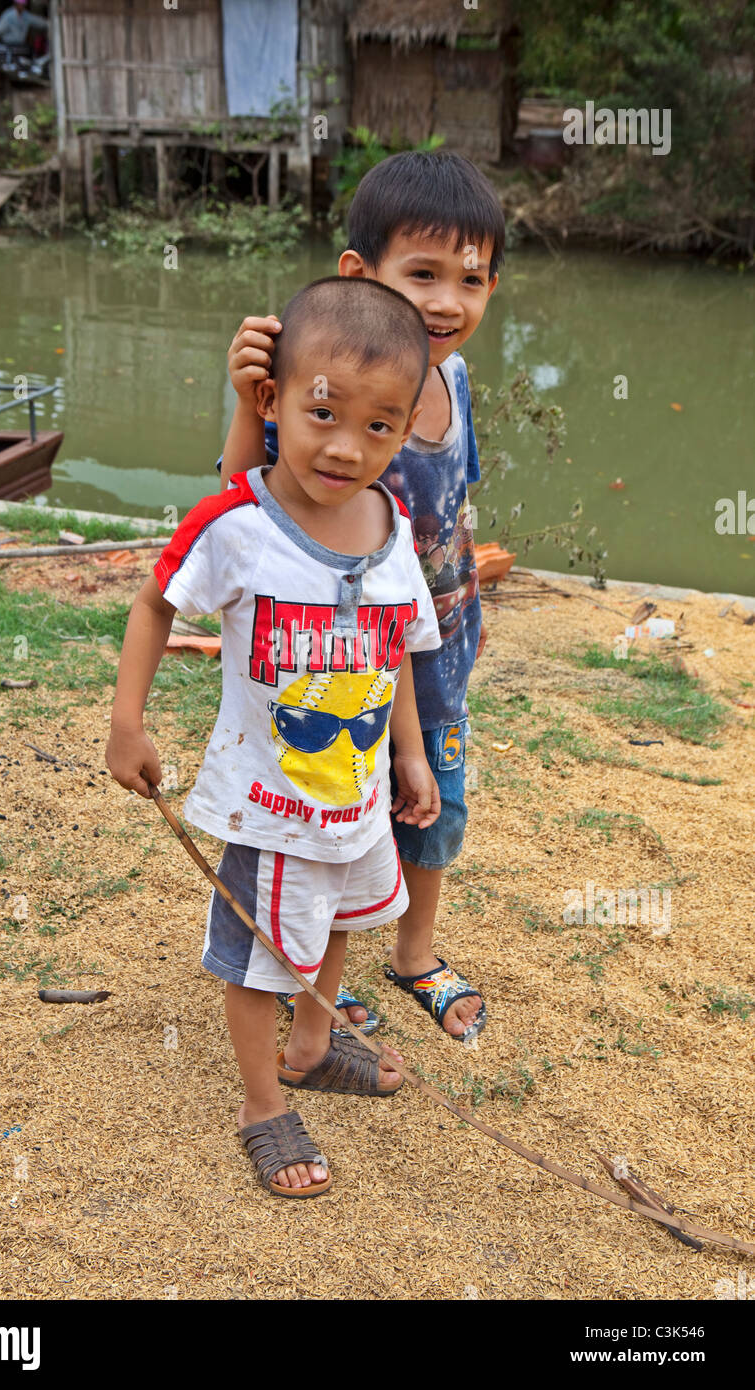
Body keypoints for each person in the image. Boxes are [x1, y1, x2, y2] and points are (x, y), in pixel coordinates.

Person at [107, 276, 442, 1198]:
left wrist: (409, 753)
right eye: (323, 412)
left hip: (356, 795)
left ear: (409, 424)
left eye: (379, 425)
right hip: (269, 803)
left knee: (336, 922)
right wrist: (125, 724)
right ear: (272, 400)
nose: (345, 446)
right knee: (262, 955)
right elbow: (151, 604)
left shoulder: (391, 527)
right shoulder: (238, 524)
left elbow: (399, 647)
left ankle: (310, 1045)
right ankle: (263, 1104)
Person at [219, 151, 504, 1043]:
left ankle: (414, 950)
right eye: (422, 274)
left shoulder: (451, 377)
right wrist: (244, 403)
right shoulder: (325, 392)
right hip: (339, 660)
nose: (448, 301)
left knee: (434, 804)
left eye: (472, 278)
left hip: (440, 646)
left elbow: (457, 503)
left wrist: (463, 613)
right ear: (360, 273)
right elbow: (239, 508)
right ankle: (312, 975)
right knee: (330, 816)